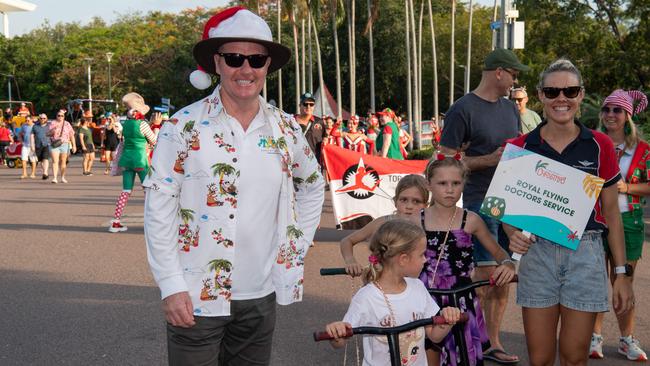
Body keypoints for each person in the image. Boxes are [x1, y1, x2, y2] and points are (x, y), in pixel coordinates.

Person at [142, 7, 325, 365]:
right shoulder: (182, 127)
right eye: (234, 58)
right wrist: (170, 284)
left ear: (267, 65)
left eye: (255, 59)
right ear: (217, 63)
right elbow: (159, 207)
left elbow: (313, 185)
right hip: (195, 295)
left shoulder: (286, 129)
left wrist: (295, 245)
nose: (246, 69)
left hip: (261, 295)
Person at [506, 58, 635, 366]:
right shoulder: (522, 145)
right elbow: (508, 212)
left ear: (580, 94)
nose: (561, 98)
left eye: (570, 90)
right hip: (538, 256)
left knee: (575, 358)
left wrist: (620, 273)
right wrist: (512, 235)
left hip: (586, 254)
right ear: (540, 95)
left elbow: (612, 215)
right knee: (539, 360)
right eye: (552, 92)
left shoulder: (600, 144)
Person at [438, 48, 527, 364]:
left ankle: (494, 342)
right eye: (513, 74)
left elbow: (517, 149)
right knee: (484, 276)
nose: (515, 81)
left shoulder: (509, 109)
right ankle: (473, 340)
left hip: (513, 201)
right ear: (499, 72)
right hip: (480, 202)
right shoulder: (462, 109)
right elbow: (443, 159)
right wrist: (488, 160)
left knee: (504, 272)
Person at [420, 155, 516, 366]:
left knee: (462, 356)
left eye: (456, 183)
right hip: (424, 300)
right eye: (442, 183)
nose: (449, 189)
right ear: (428, 184)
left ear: (464, 184)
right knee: (425, 356)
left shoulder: (471, 220)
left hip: (461, 300)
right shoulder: (415, 220)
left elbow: (499, 252)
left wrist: (508, 264)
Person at [326, 219, 462, 366]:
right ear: (403, 259)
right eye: (422, 254)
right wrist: (336, 332)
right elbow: (340, 341)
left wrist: (447, 320)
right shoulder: (367, 297)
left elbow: (434, 336)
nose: (425, 259)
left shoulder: (418, 288)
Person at [589, 89, 649, 361]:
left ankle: (626, 339)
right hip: (596, 219)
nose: (610, 115)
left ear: (628, 116)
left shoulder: (643, 149)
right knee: (596, 281)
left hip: (629, 221)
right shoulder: (591, 142)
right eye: (607, 109)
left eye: (617, 110)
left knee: (623, 280)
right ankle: (594, 337)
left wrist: (628, 187)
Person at [341, 174, 429, 276]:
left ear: (425, 206)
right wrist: (351, 262)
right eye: (404, 200)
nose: (409, 206)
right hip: (382, 285)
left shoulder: (429, 227)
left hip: (416, 285)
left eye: (416, 201)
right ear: (395, 201)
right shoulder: (382, 223)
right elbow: (347, 241)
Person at [108, 93, 157, 233]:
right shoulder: (143, 124)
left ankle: (116, 221)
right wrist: (157, 127)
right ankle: (152, 222)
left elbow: (124, 141)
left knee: (126, 191)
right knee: (148, 191)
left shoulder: (126, 124)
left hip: (127, 160)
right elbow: (154, 141)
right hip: (140, 160)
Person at [295, 92, 326, 164]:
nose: (308, 106)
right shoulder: (291, 121)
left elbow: (325, 138)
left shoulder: (320, 122)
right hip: (296, 163)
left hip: (314, 163)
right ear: (300, 105)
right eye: (305, 104)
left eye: (311, 104)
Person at [48, 110, 76, 183]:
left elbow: (71, 135)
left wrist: (74, 146)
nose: (60, 117)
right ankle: (54, 178)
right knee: (55, 161)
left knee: (63, 161)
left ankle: (63, 177)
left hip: (65, 144)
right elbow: (48, 134)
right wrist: (53, 130)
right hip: (55, 144)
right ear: (56, 116)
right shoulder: (53, 123)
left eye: (62, 116)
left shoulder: (67, 124)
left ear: (64, 117)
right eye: (59, 115)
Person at [31, 113, 51, 179]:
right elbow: (32, 136)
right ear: (39, 119)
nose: (42, 119)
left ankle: (45, 173)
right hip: (38, 145)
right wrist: (32, 145)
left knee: (45, 158)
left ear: (46, 119)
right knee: (41, 160)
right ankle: (45, 172)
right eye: (41, 118)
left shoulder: (49, 126)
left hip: (47, 144)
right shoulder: (35, 126)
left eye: (44, 118)